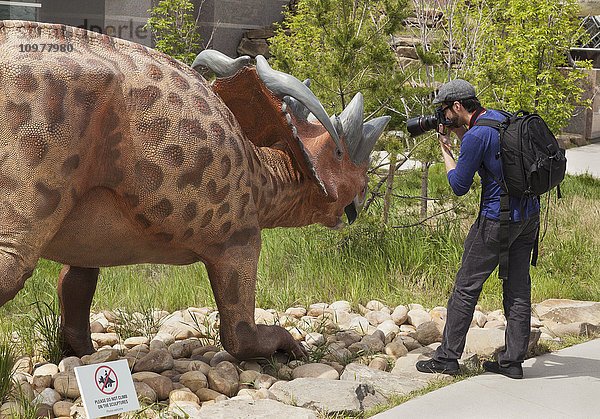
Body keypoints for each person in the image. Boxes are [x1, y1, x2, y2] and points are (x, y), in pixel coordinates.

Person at [415, 79, 540, 379]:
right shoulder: (500, 117)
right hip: (529, 216)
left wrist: (446, 151)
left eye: (445, 111)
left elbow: (459, 185)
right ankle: (512, 362)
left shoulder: (474, 137)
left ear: (457, 106)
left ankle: (446, 358)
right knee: (518, 289)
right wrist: (460, 135)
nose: (444, 117)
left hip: (497, 221)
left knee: (465, 288)